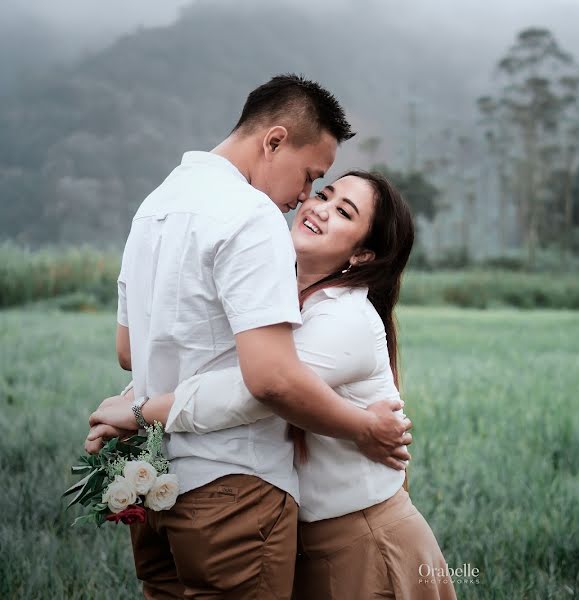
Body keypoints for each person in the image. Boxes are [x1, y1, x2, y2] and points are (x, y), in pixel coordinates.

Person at [100, 74, 413, 599]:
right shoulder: (253, 215)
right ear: (274, 141)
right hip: (233, 487)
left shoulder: (154, 205)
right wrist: (361, 426)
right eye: (311, 177)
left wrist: (138, 409)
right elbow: (270, 380)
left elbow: (129, 351)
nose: (303, 198)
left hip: (156, 484)